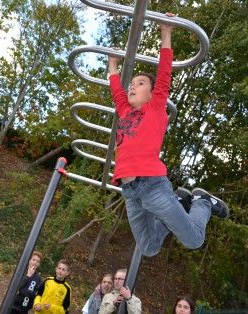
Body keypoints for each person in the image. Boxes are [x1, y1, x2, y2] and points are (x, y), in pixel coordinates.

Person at [107, 13, 229, 257]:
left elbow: (164, 73)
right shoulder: (124, 110)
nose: (132, 85)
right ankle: (182, 202)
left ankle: (202, 201)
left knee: (194, 239)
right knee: (150, 248)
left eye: (140, 83)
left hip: (152, 186)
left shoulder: (155, 107)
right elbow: (116, 89)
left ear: (152, 94)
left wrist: (166, 31)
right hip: (130, 191)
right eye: (132, 83)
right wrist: (112, 64)